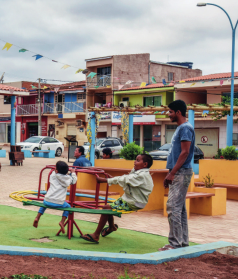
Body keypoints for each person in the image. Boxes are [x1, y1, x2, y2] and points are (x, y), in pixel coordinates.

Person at [80, 154, 154, 244]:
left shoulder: (142, 175)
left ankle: (96, 235)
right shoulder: (138, 172)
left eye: (138, 160)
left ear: (145, 164)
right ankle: (111, 227)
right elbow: (126, 180)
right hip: (130, 199)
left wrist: (105, 180)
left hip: (134, 202)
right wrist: (113, 179)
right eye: (135, 159)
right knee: (109, 207)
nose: (134, 162)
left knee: (106, 208)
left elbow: (126, 179)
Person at [159, 100, 195, 251]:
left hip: (181, 172)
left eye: (170, 112)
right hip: (178, 172)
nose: (169, 115)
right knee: (179, 209)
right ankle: (182, 242)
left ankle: (174, 244)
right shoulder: (182, 128)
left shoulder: (185, 128)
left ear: (178, 112)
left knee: (173, 207)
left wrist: (172, 173)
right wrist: (170, 173)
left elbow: (185, 152)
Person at [33, 161, 78, 233]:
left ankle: (37, 217)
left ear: (56, 170)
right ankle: (62, 222)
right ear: (66, 171)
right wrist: (73, 173)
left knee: (44, 204)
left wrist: (56, 170)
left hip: (47, 200)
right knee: (68, 207)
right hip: (59, 202)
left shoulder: (53, 175)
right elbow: (73, 181)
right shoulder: (68, 179)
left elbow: (56, 172)